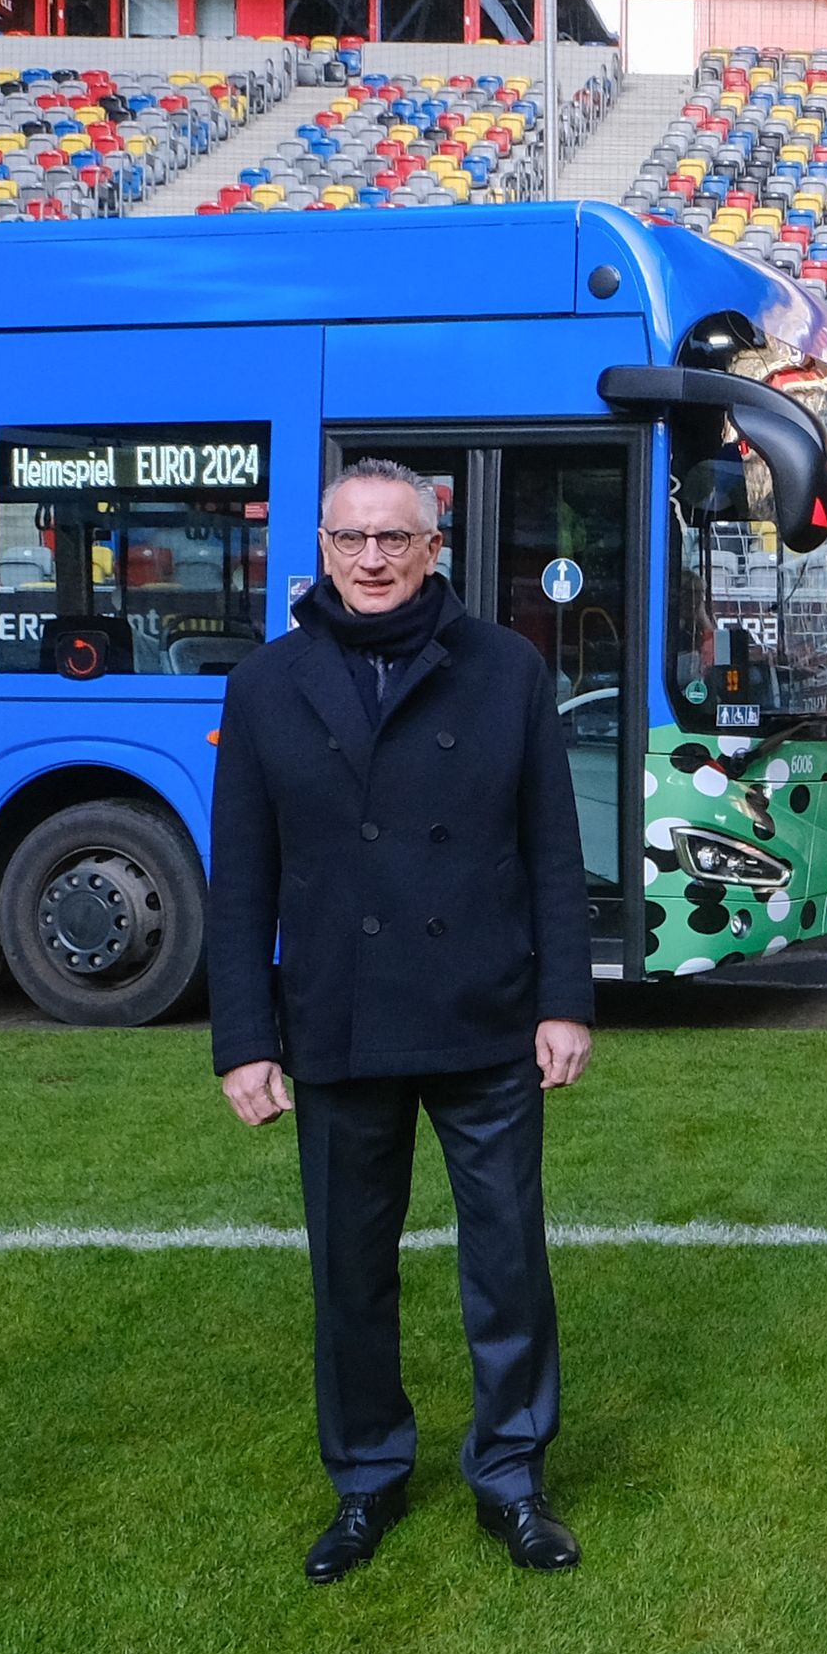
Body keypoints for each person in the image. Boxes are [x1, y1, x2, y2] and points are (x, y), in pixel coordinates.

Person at [213, 457, 598, 1583]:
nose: (372, 558)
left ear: (436, 548)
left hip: (485, 1015)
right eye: (351, 539)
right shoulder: (266, 684)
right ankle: (367, 1478)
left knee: (508, 1261)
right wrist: (244, 1036)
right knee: (348, 1268)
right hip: (336, 1020)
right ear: (321, 550)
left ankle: (513, 1479)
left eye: (394, 538)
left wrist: (564, 1000)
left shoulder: (509, 670)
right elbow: (241, 880)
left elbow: (553, 850)